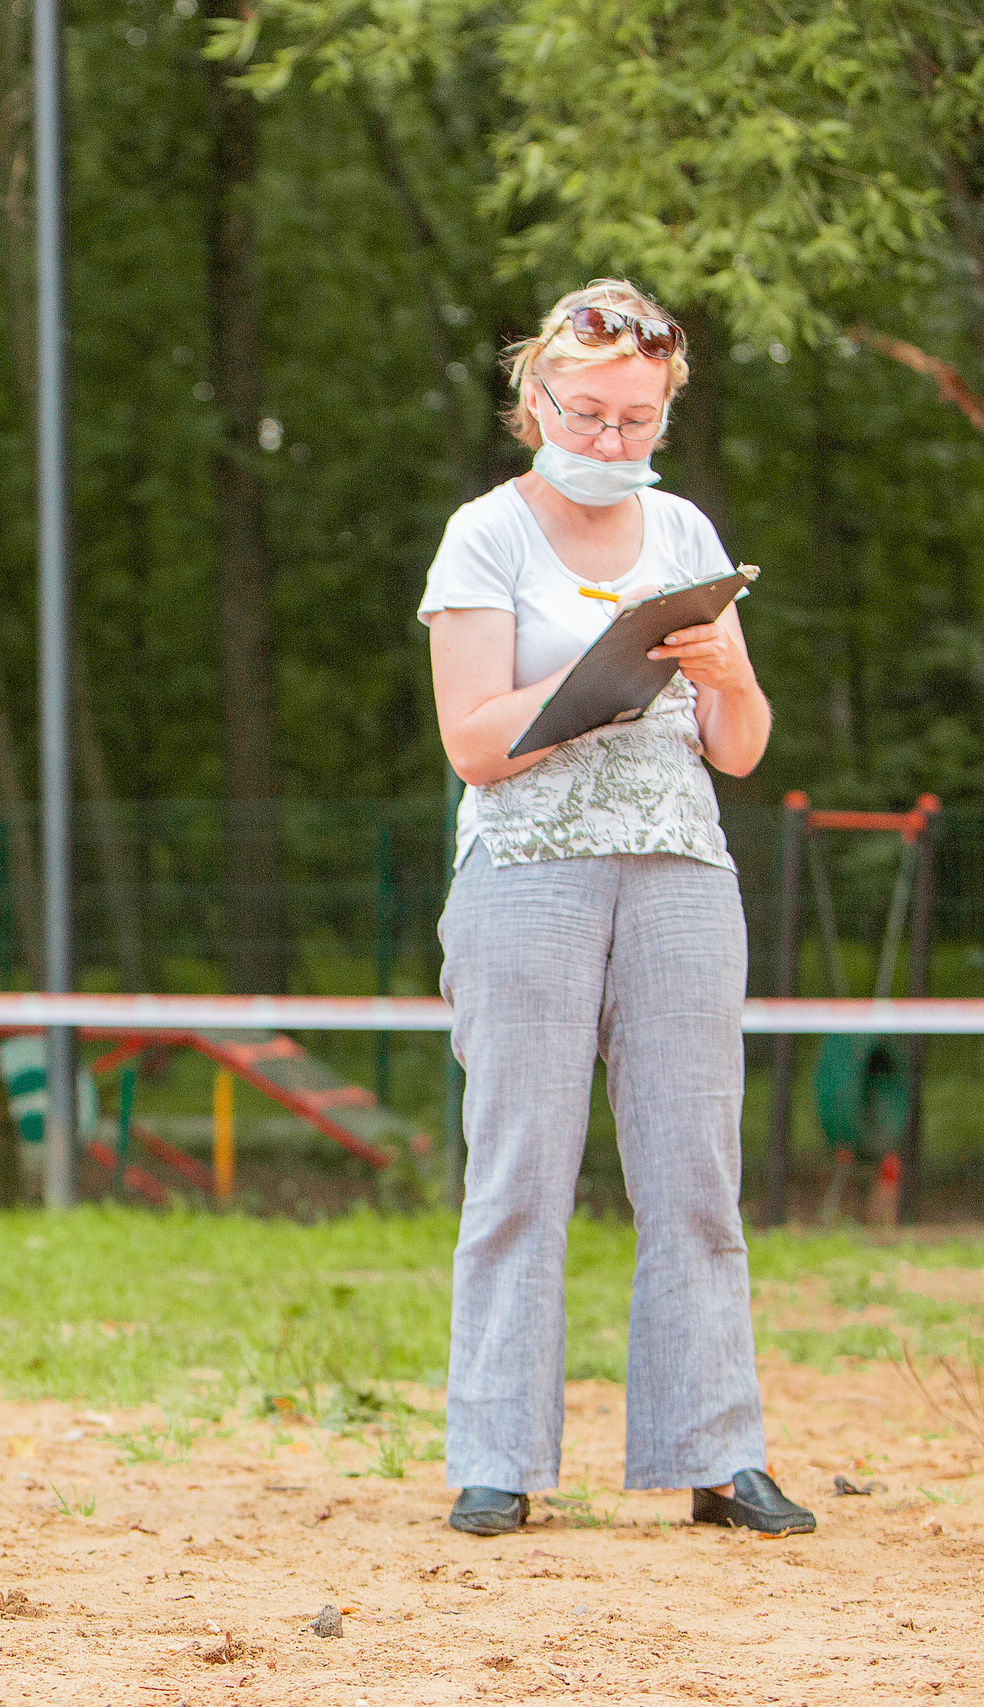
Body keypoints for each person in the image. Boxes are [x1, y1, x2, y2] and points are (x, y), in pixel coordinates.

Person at [422, 279, 811, 1539]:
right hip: (526, 876)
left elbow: (740, 748)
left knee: (694, 1176)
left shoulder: (688, 534)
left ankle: (715, 1453)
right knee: (520, 1171)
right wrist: (598, 682)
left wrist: (725, 670)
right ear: (533, 397)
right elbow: (471, 741)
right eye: (586, 415)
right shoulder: (484, 533)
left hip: (683, 874)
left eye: (636, 422)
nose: (609, 444)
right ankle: (496, 1458)